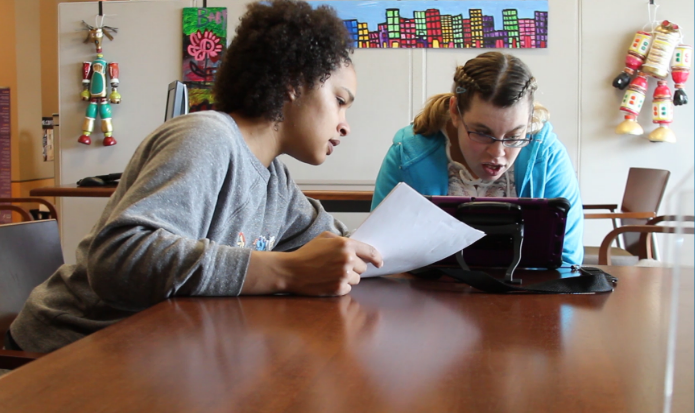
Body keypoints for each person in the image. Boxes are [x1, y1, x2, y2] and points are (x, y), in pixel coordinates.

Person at [7, 0, 382, 354]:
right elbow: (119, 259)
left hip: (167, 347)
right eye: (340, 100)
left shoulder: (275, 182)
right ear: (293, 82)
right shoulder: (207, 136)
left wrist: (411, 250)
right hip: (72, 350)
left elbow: (345, 244)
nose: (344, 126)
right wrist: (286, 271)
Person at [371, 52, 583, 265]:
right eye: (482, 133)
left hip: (526, 294)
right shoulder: (406, 155)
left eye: (514, 136)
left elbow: (567, 262)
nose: (498, 153)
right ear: (455, 112)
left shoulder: (548, 158)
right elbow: (377, 255)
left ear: (528, 122)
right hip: (426, 294)